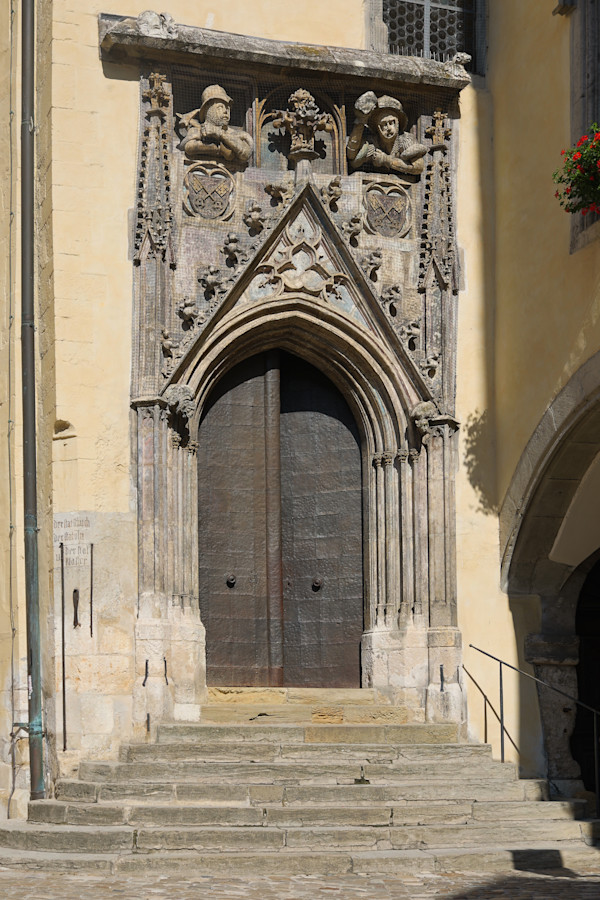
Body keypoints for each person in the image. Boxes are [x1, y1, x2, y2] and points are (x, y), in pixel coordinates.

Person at [347, 93, 427, 175]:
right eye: (383, 125)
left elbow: (419, 168)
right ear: (377, 128)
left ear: (398, 124)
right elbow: (352, 157)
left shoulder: (406, 139)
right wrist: (360, 121)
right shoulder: (374, 142)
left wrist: (386, 159)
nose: (388, 128)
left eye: (391, 123)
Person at [178, 84, 253, 163]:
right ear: (208, 110)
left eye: (228, 108)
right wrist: (220, 149)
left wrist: (220, 134)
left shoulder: (236, 134)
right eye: (220, 107)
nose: (225, 111)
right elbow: (189, 147)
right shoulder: (196, 130)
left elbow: (246, 154)